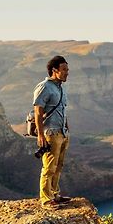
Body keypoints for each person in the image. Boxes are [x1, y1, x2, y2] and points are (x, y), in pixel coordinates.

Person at [33, 55, 71, 208]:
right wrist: (41, 135)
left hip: (62, 132)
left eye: (67, 70)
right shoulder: (44, 87)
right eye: (64, 70)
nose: (67, 72)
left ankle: (55, 193)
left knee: (59, 165)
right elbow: (38, 111)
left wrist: (67, 127)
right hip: (51, 133)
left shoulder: (60, 88)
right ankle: (46, 198)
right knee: (49, 167)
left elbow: (63, 109)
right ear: (54, 70)